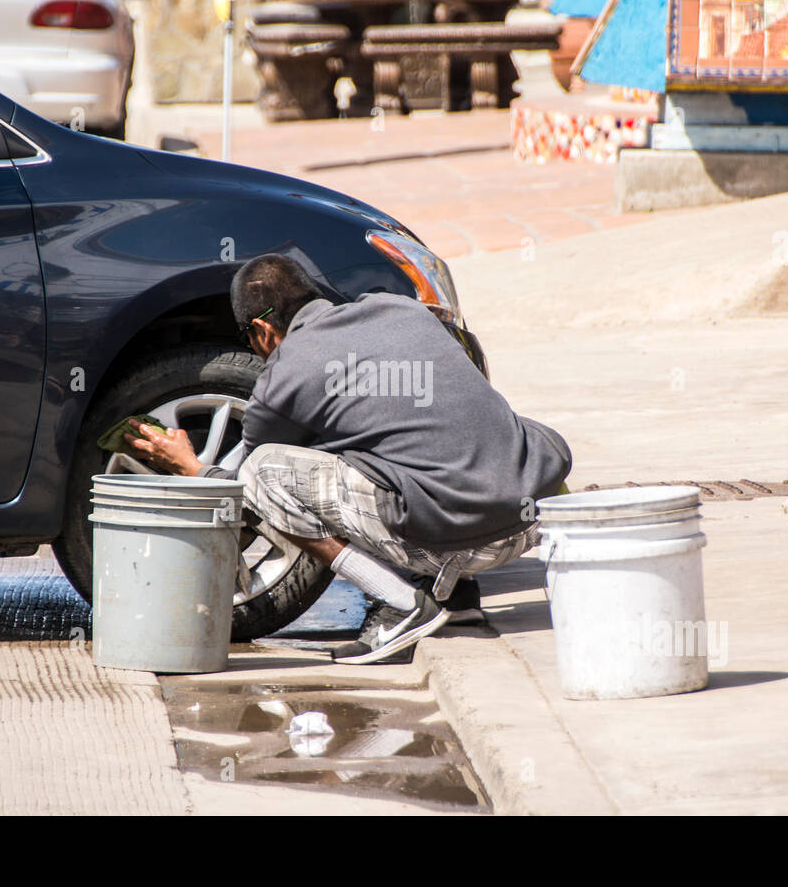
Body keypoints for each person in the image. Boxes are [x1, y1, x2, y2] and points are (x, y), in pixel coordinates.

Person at [127, 253, 571, 664]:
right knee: (432, 439)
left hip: (451, 541)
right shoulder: (402, 309)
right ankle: (457, 599)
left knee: (266, 472)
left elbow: (244, 498)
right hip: (527, 525)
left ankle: (401, 604)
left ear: (262, 332)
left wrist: (193, 467)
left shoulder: (286, 373)